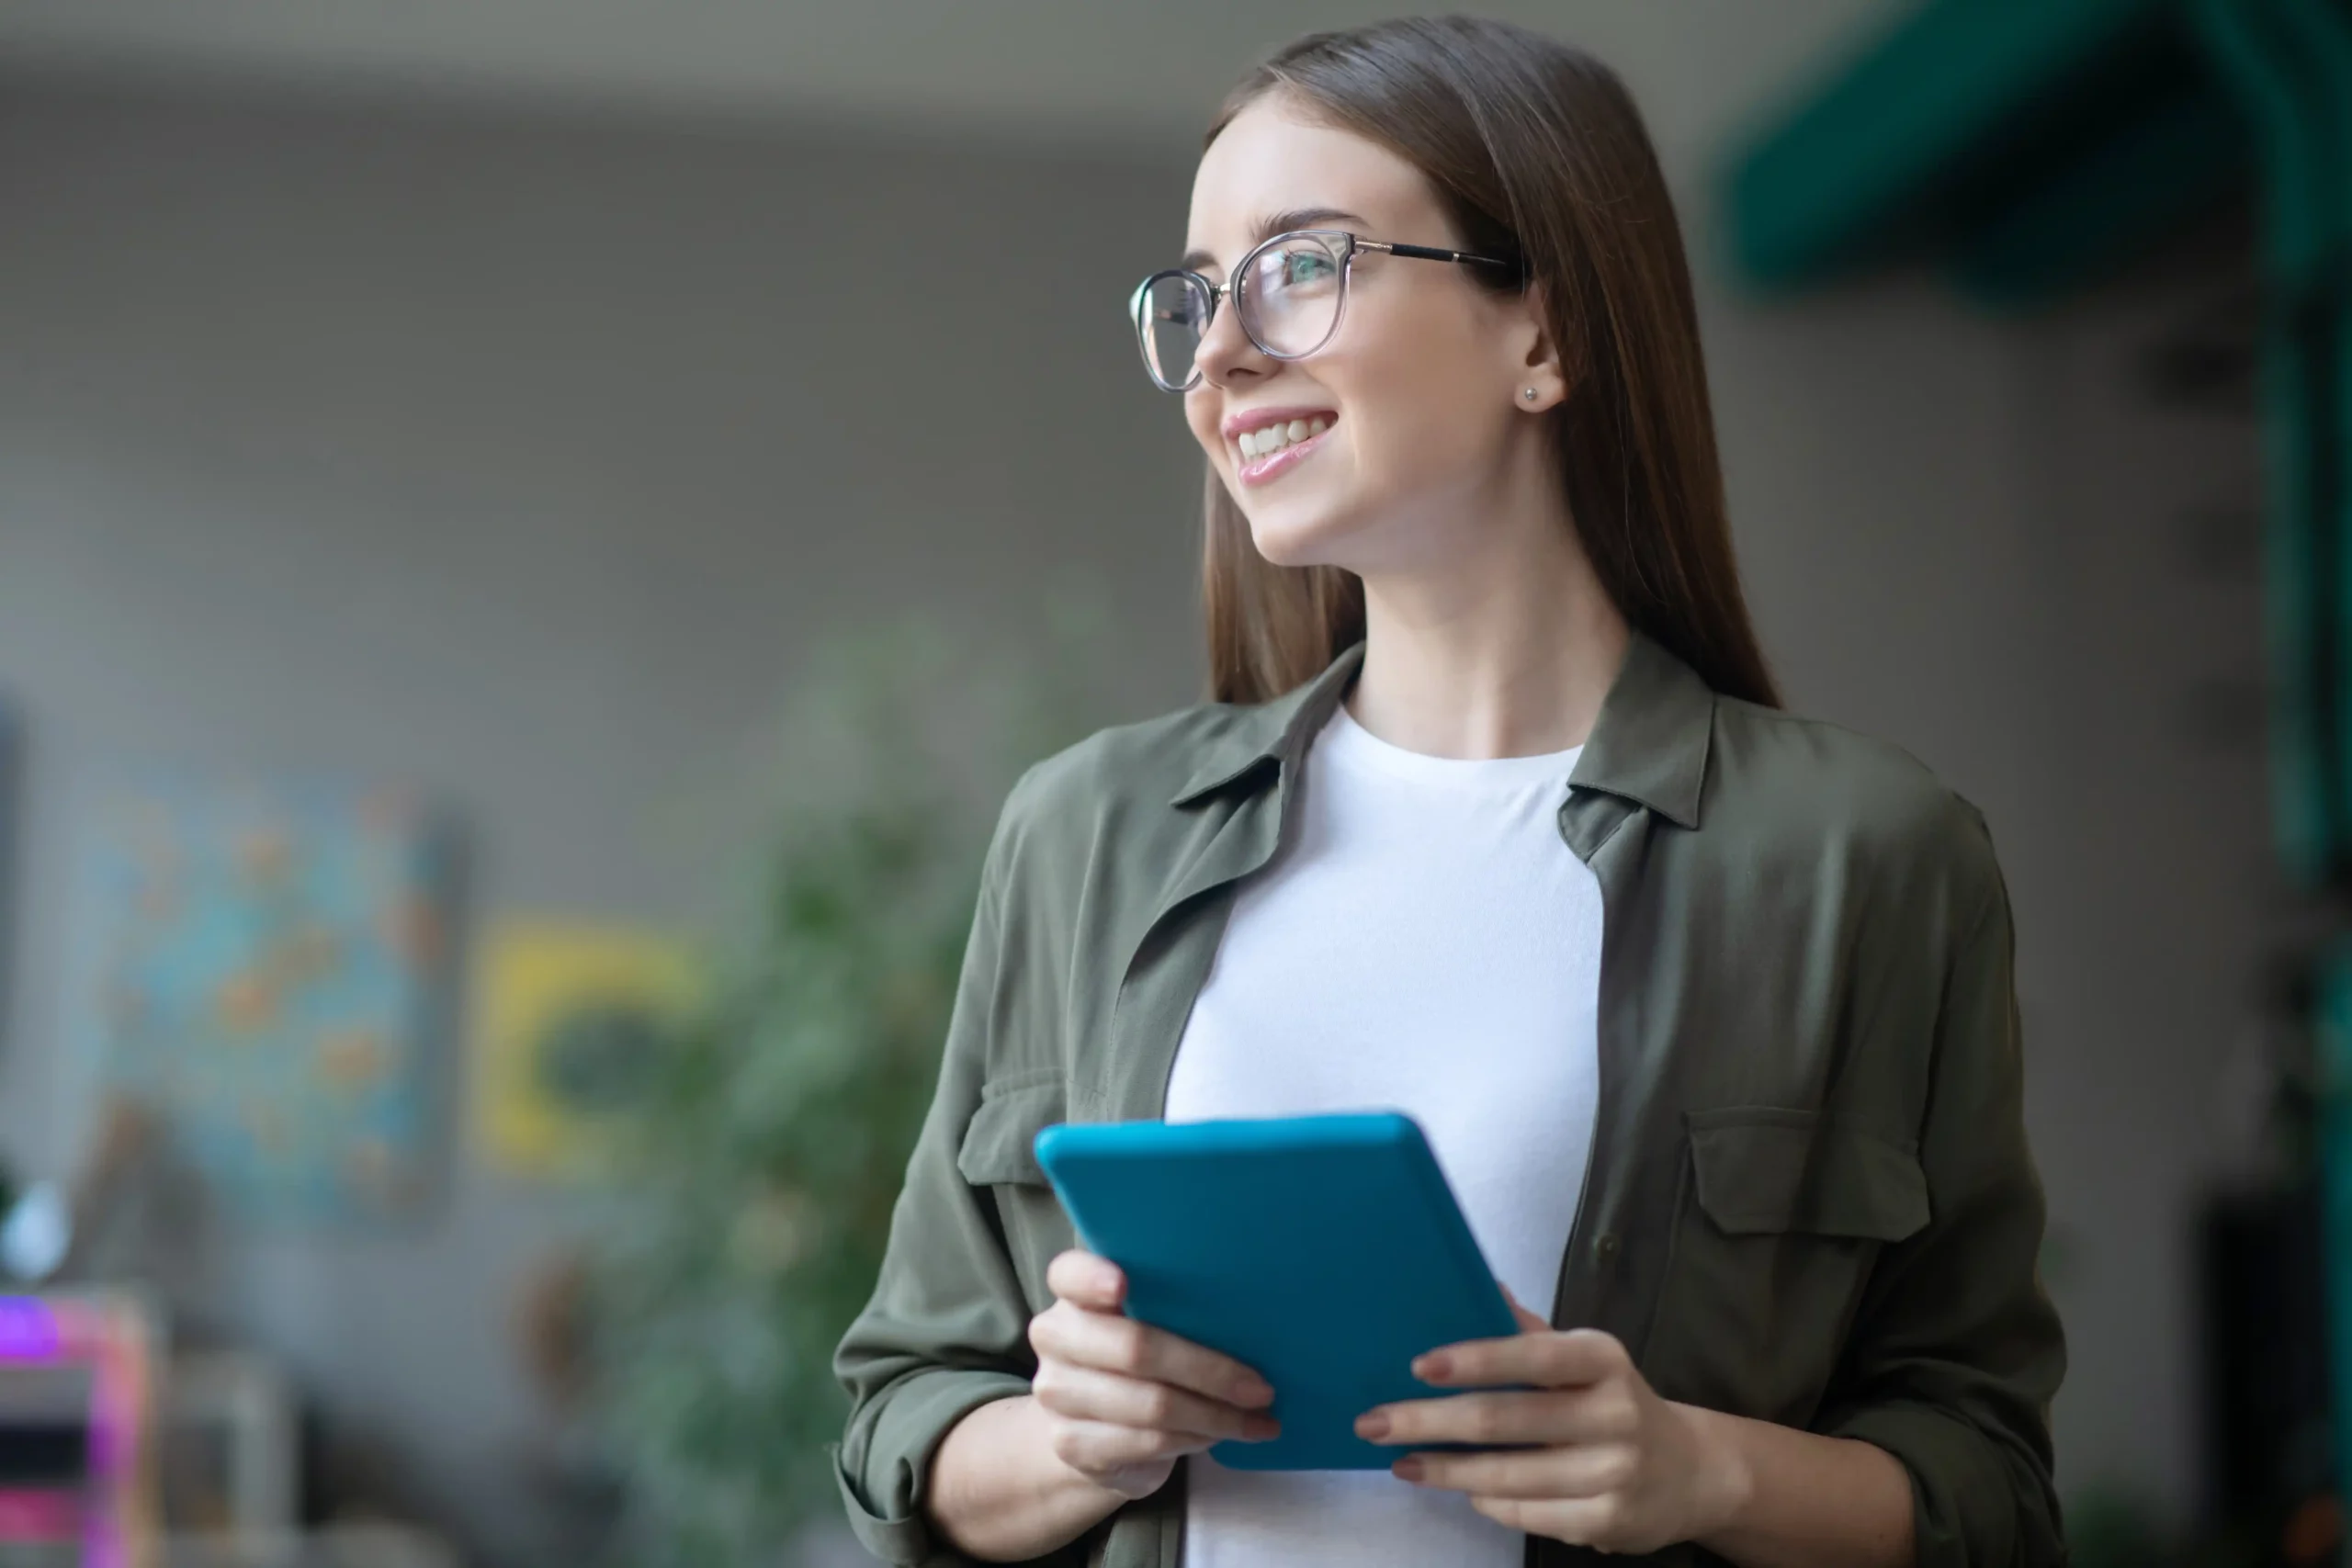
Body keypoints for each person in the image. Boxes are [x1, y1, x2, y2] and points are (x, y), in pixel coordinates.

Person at [833, 17, 2064, 1568]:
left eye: (1298, 265)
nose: (1217, 355)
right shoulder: (1084, 834)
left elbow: (1993, 1488)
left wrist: (1702, 1471)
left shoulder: (1867, 859)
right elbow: (902, 1417)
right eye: (1197, 295)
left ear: (1543, 332)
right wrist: (1071, 1436)